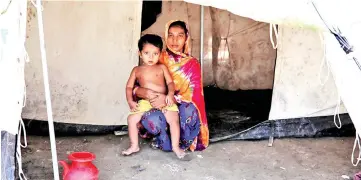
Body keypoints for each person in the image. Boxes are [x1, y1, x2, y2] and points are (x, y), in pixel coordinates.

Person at [133, 20, 209, 154]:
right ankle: (163, 139)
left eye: (180, 35)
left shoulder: (193, 64)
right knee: (152, 119)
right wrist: (145, 93)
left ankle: (183, 142)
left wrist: (169, 98)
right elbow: (137, 86)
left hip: (179, 105)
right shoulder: (156, 57)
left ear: (186, 38)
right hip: (157, 105)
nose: (175, 40)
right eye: (170, 35)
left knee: (189, 110)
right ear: (165, 37)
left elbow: (195, 96)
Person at [122, 34, 186, 159]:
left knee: (173, 120)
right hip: (146, 101)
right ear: (139, 53)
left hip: (164, 99)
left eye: (155, 54)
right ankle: (134, 145)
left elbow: (170, 83)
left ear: (160, 54)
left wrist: (170, 94)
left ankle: (175, 147)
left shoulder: (162, 67)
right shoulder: (136, 70)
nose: (151, 57)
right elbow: (129, 87)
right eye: (147, 53)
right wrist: (130, 101)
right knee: (131, 119)